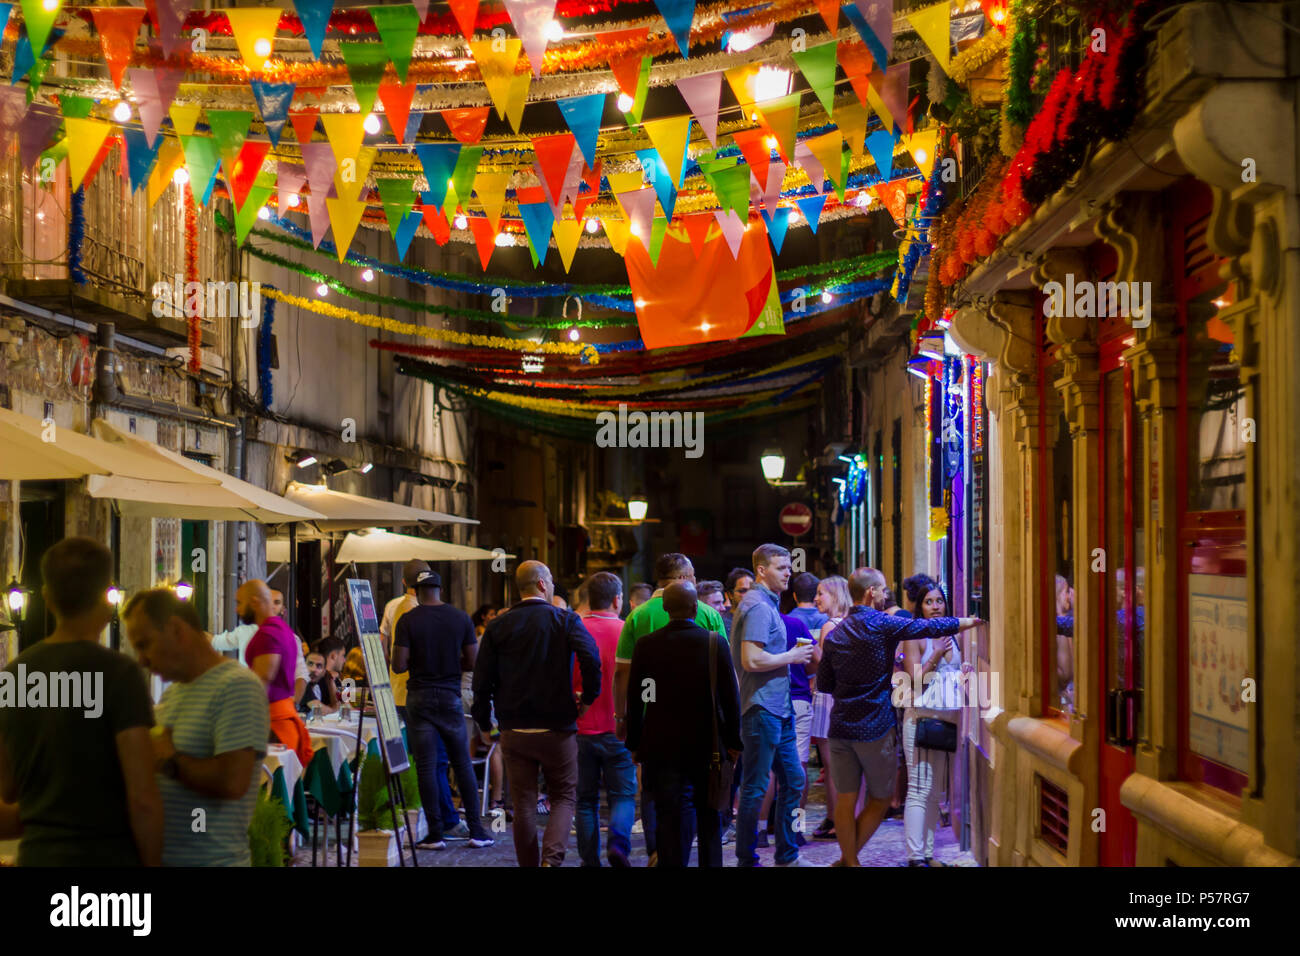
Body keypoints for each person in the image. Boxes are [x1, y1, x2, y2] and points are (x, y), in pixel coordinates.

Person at [0, 538, 162, 866]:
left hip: (38, 856)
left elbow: (6, 786)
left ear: (46, 599)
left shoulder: (15, 675)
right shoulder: (121, 675)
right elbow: (142, 797)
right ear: (107, 600)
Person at [816, 567, 981, 866]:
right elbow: (926, 629)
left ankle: (848, 862)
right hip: (874, 727)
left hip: (840, 727)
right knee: (880, 798)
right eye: (882, 589)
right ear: (871, 593)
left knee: (846, 798)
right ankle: (848, 861)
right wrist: (969, 621)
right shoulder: (883, 624)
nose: (885, 594)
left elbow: (825, 684)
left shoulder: (836, 633)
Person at [123, 588, 270, 866]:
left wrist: (168, 760)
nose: (141, 660)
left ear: (177, 630)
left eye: (144, 644)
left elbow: (232, 781)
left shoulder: (237, 686)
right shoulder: (174, 692)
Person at [472, 560, 600, 867]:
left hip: (515, 728)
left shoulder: (498, 625)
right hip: (557, 725)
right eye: (552, 580)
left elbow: (481, 679)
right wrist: (588, 698)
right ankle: (550, 861)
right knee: (564, 797)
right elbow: (591, 658)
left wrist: (484, 722)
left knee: (525, 802)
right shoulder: (565, 620)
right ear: (542, 584)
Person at [614, 552, 726, 864]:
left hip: (656, 730)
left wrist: (624, 722)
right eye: (692, 575)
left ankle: (660, 853)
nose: (694, 579)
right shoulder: (709, 615)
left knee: (661, 801)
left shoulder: (638, 617)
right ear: (683, 578)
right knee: (708, 806)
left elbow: (625, 675)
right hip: (705, 732)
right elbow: (726, 681)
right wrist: (732, 736)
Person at [391, 570, 494, 849]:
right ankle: (476, 831)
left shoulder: (408, 620)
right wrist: (450, 664)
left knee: (426, 766)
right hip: (450, 697)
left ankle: (435, 834)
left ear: (416, 590)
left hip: (419, 698)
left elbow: (398, 665)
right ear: (440, 589)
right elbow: (473, 662)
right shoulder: (460, 618)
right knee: (461, 763)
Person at [732, 544, 816, 867]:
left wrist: (788, 654)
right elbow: (750, 659)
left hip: (779, 709)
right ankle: (746, 858)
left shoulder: (767, 604)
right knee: (754, 787)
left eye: (789, 568)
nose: (788, 573)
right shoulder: (757, 606)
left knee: (794, 780)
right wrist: (791, 657)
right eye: (782, 568)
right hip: (761, 709)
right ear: (762, 570)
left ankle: (788, 855)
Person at [380, 560, 464, 838]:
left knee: (420, 760)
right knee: (436, 760)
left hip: (398, 692)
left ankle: (434, 821)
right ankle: (446, 821)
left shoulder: (393, 607)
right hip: (420, 692)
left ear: (405, 582)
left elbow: (383, 648)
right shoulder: (419, 611)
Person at [899, 575, 970, 867]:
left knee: (934, 793)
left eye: (939, 601)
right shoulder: (916, 636)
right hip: (920, 719)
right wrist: (937, 655)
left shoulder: (954, 634)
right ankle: (915, 856)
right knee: (918, 788)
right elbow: (914, 681)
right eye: (929, 602)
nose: (936, 606)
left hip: (947, 721)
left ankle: (927, 853)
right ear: (920, 607)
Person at [573, 572, 636, 867]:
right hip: (618, 727)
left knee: (584, 799)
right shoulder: (628, 632)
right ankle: (618, 845)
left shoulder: (573, 630)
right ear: (616, 599)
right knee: (623, 795)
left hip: (579, 728)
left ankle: (589, 861)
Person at [238, 579, 313, 768]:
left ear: (254, 602)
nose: (237, 610)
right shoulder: (284, 631)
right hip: (281, 719)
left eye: (239, 603)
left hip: (272, 724)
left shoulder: (268, 634)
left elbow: (263, 679)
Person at [809, 575, 851, 841]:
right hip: (845, 698)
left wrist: (810, 651)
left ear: (835, 596)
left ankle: (836, 819)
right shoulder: (852, 623)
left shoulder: (829, 627)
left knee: (831, 765)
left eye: (821, 593)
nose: (816, 598)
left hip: (827, 699)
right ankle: (838, 817)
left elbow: (824, 669)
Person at [299, 643, 340, 716]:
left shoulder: (320, 684)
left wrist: (330, 682)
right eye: (310, 664)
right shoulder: (301, 682)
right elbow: (320, 710)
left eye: (319, 666)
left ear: (324, 672)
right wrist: (334, 709)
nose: (313, 669)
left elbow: (338, 704)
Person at [722, 567, 754, 633]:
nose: (749, 595)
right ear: (730, 594)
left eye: (752, 590)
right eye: (742, 591)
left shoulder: (758, 619)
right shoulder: (723, 623)